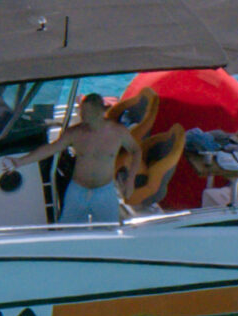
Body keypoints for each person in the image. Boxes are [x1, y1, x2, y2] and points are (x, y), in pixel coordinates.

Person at [11, 92, 143, 226]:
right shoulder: (75, 133)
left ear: (99, 111)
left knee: (109, 233)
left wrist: (130, 180)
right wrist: (20, 162)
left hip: (105, 191)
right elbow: (51, 149)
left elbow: (136, 150)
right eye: (82, 111)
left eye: (86, 111)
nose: (82, 115)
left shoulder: (118, 132)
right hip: (77, 191)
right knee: (68, 231)